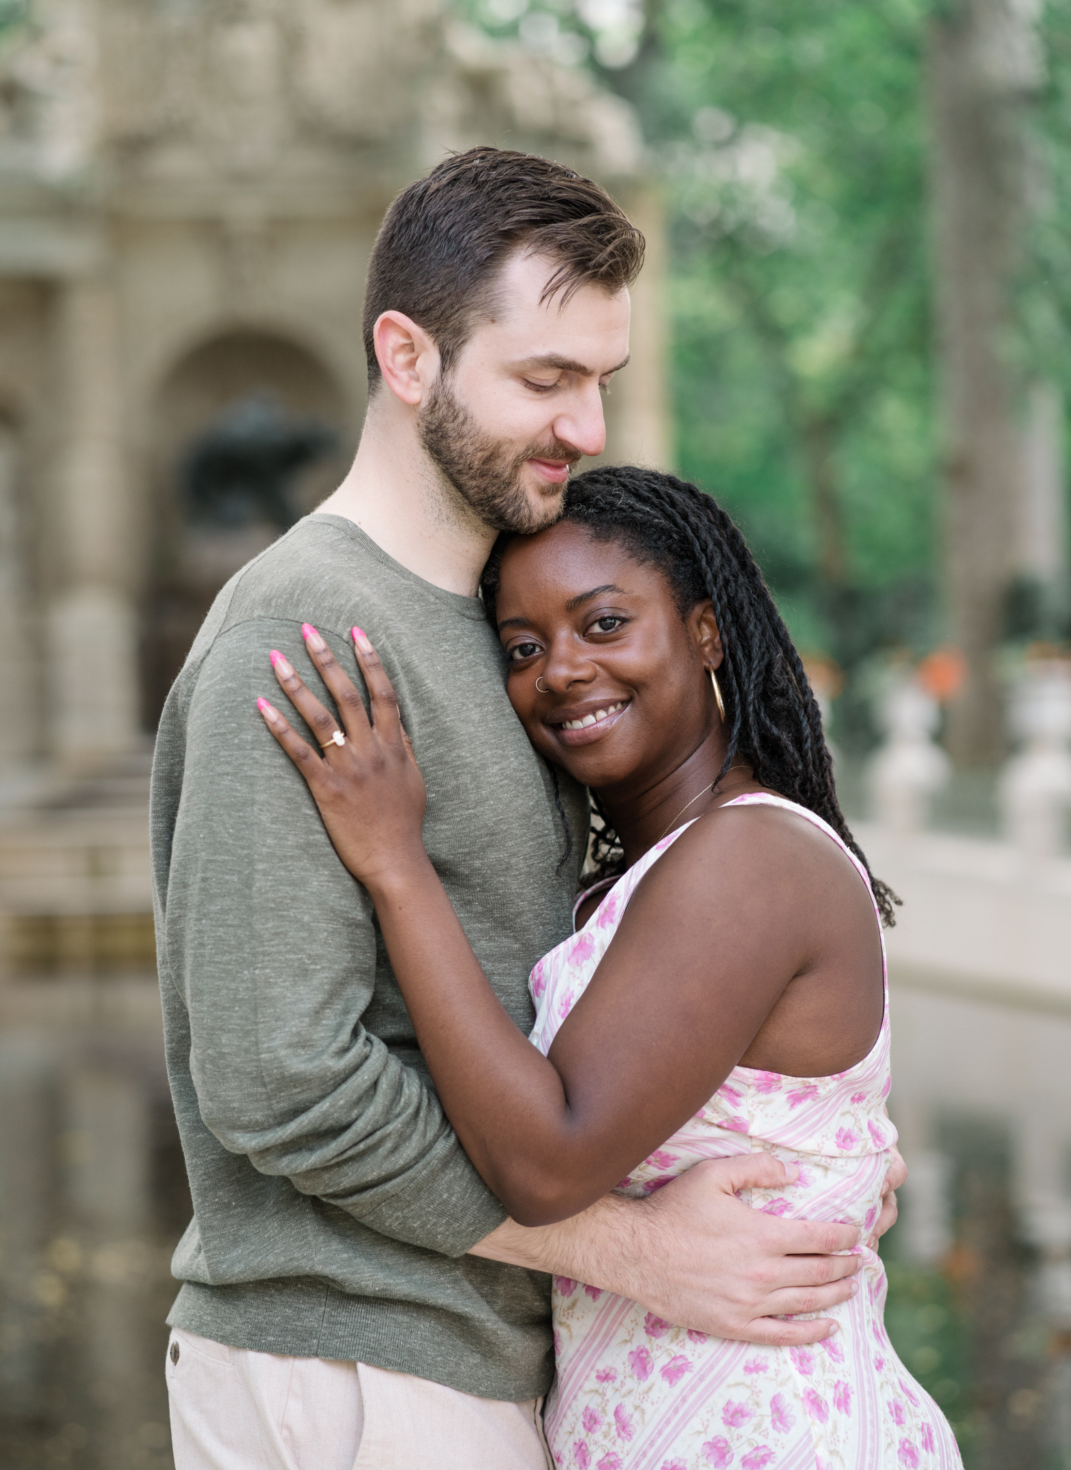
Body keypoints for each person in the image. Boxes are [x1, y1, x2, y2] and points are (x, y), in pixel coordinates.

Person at [154, 148, 900, 1470]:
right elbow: (279, 1084)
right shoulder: (308, 624)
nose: (584, 428)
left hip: (483, 1364)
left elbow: (594, 1009)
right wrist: (631, 1250)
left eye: (597, 383)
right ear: (405, 357)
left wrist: (818, 1169)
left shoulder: (499, 620)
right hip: (355, 1363)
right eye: (542, 380)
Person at [258, 466, 957, 1469]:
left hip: (781, 1434)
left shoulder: (748, 859)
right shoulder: (656, 877)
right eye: (524, 649)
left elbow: (546, 1160)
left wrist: (396, 864)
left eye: (604, 624)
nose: (563, 672)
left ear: (708, 633)